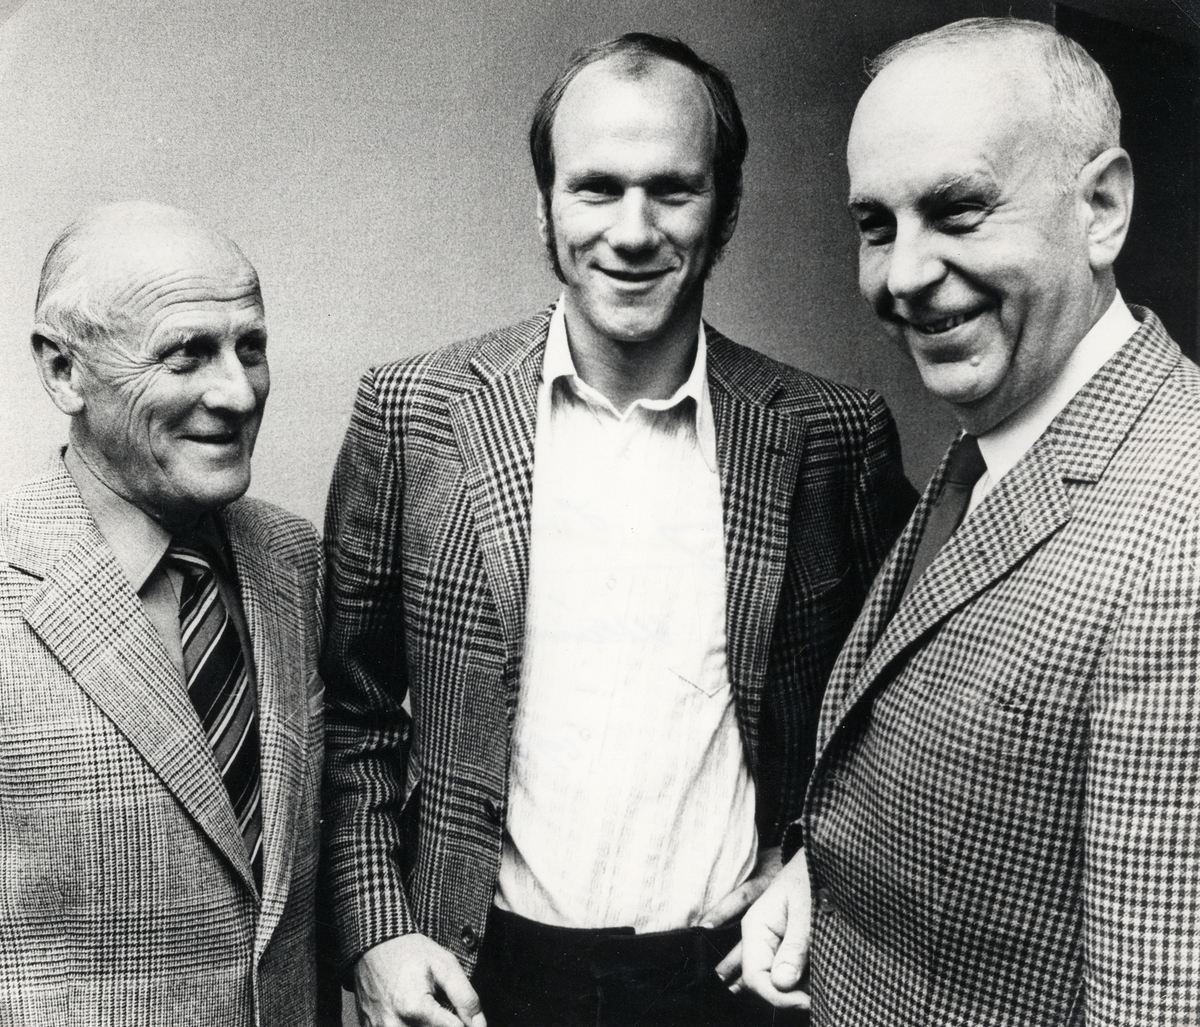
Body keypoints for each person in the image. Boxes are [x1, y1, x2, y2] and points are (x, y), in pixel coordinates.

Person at [322, 32, 915, 1027]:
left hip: (734, 980)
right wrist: (377, 931)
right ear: (546, 204)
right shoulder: (412, 410)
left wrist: (816, 854)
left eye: (672, 190)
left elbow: (895, 711)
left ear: (725, 209)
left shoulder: (832, 436)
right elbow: (355, 710)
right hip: (478, 980)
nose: (632, 232)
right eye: (596, 188)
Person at [739, 17, 1200, 1026]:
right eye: (877, 225)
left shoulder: (1182, 544)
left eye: (958, 210)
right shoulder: (995, 436)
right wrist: (822, 875)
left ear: (1103, 208)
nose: (902, 276)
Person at [0, 201, 332, 1026]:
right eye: (187, 353)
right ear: (64, 371)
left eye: (250, 347)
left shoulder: (293, 559)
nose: (238, 392)